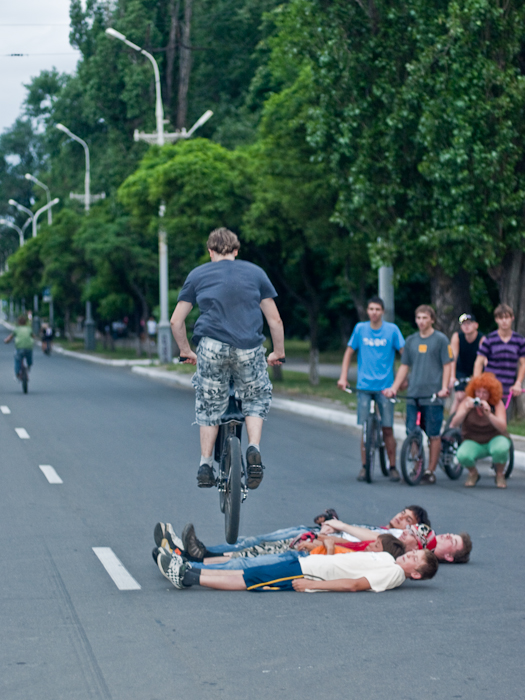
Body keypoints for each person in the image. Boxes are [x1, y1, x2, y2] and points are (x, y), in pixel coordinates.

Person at [170, 228, 285, 489]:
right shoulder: (256, 273)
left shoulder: (197, 274)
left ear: (210, 251)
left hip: (211, 346)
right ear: (236, 250)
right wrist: (278, 352)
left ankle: (205, 464)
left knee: (209, 402)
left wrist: (185, 350)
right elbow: (275, 320)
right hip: (249, 347)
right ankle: (253, 449)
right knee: (255, 397)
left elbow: (176, 320)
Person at [155, 546, 439, 592]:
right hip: (307, 562)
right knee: (247, 572)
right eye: (413, 552)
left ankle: (189, 577)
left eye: (416, 559)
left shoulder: (394, 574)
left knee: (249, 579)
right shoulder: (389, 558)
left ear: (415, 573)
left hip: (308, 574)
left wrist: (314, 584)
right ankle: (191, 571)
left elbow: (356, 584)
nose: (410, 555)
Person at [337, 296, 405, 482]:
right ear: (367, 311)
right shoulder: (360, 329)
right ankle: (365, 466)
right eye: (371, 309)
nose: (374, 312)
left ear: (382, 311)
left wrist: (401, 380)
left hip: (386, 387)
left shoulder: (392, 330)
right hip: (364, 386)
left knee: (388, 428)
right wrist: (343, 377)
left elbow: (404, 355)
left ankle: (392, 466)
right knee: (366, 429)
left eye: (377, 309)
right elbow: (349, 352)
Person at [384, 305, 453, 484]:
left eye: (425, 318)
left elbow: (447, 365)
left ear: (432, 319)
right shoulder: (411, 340)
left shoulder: (441, 340)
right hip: (414, 394)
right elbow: (404, 366)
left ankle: (430, 470)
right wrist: (394, 387)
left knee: (433, 433)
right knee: (412, 432)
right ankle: (416, 466)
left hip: (433, 395)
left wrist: (444, 387)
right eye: (418, 318)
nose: (421, 321)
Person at [450, 373, 511, 489]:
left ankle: (500, 474)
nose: (481, 396)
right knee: (462, 455)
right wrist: (465, 410)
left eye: (484, 393)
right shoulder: (467, 402)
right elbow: (454, 423)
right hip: (474, 440)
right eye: (478, 392)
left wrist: (489, 415)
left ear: (491, 393)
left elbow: (503, 427)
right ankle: (473, 473)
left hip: (494, 438)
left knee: (501, 448)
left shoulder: (497, 404)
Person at [473, 303, 525, 419]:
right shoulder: (490, 339)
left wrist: (518, 383)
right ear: (496, 320)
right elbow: (479, 362)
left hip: (507, 389)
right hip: (489, 388)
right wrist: (477, 383)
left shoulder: (519, 340)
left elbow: (523, 364)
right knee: (484, 419)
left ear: (512, 318)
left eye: (507, 317)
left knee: (502, 422)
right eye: (501, 318)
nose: (504, 321)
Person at [449, 313, 485, 414]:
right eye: (463, 324)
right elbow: (453, 358)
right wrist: (452, 377)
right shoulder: (457, 337)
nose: (466, 326)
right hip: (461, 370)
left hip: (476, 370)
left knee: (472, 396)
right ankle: (451, 425)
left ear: (476, 325)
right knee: (459, 396)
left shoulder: (481, 339)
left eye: (469, 323)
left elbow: (481, 361)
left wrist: (476, 378)